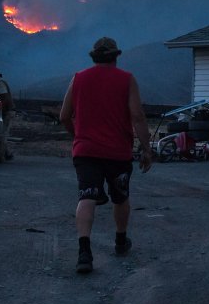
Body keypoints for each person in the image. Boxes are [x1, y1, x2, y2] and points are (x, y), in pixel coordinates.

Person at [57, 37, 153, 273]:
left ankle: (84, 252)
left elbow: (63, 116)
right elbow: (138, 117)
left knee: (86, 197)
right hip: (117, 153)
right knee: (120, 197)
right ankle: (120, 241)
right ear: (116, 56)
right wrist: (147, 149)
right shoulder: (127, 80)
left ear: (94, 57)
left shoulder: (78, 79)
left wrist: (78, 135)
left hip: (86, 151)